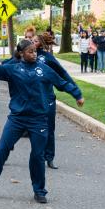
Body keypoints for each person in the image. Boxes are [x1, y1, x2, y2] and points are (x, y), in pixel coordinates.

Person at [0, 39, 84, 203]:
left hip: (39, 120)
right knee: (2, 150)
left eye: (35, 51)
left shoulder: (44, 69)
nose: (34, 54)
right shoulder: (12, 69)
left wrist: (77, 94)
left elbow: (62, 82)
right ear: (21, 53)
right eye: (30, 51)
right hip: (17, 119)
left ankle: (39, 191)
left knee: (37, 156)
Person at [32, 33, 75, 169]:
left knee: (49, 129)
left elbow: (62, 73)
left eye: (35, 40)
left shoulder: (48, 57)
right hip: (31, 98)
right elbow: (9, 66)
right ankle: (7, 149)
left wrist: (74, 88)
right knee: (21, 127)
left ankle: (49, 157)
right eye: (31, 40)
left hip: (47, 97)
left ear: (42, 43)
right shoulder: (26, 54)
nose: (32, 42)